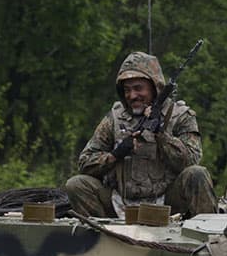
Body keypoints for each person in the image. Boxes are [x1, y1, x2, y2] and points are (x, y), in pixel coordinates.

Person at [65, 51, 217, 218]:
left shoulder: (180, 116)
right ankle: (99, 237)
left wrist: (161, 135)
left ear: (154, 87)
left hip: (167, 202)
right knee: (76, 184)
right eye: (127, 90)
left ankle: (208, 238)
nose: (132, 96)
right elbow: (85, 162)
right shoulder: (114, 119)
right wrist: (115, 155)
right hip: (120, 202)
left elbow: (191, 160)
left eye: (138, 89)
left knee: (197, 174)